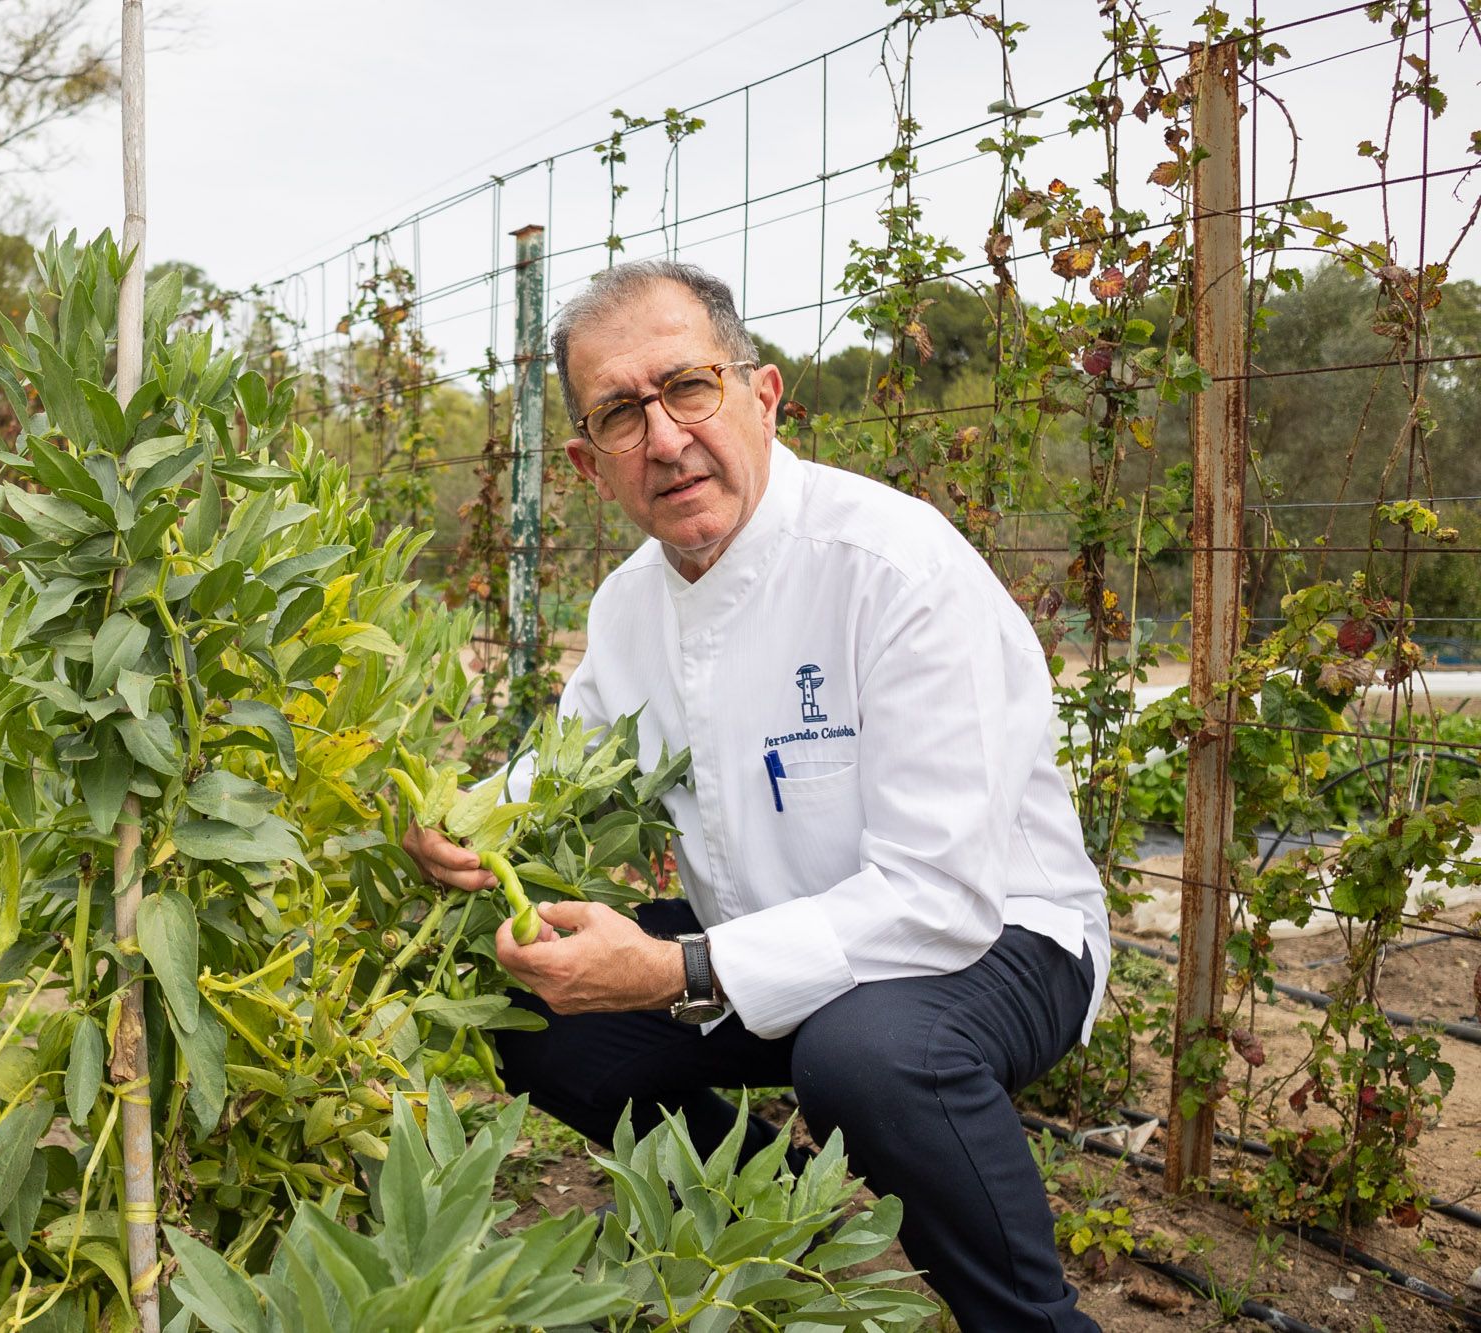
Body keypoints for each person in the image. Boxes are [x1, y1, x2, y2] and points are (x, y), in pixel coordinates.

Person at [403, 259, 1111, 1330]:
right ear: (593, 465)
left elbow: (936, 898)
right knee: (527, 1005)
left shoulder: (889, 564)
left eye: (687, 388)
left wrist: (672, 968)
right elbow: (569, 753)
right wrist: (464, 821)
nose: (666, 438)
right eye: (619, 414)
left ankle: (1026, 1319)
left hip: (997, 937)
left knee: (866, 1055)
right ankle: (800, 1237)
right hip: (765, 940)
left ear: (762, 396)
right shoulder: (632, 603)